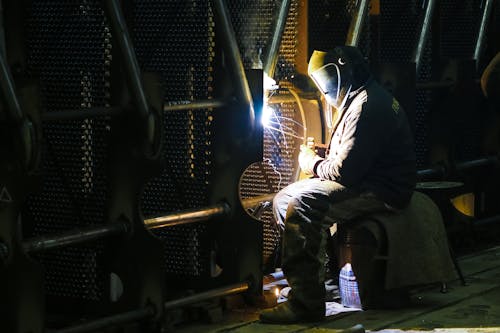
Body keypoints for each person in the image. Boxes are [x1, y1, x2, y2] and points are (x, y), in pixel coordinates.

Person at [259, 46, 416, 324]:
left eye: (325, 86)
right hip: (370, 178)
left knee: (304, 205)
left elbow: (345, 172)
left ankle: (305, 303)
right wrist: (323, 154)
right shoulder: (363, 96)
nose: (324, 93)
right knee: (284, 199)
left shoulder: (366, 106)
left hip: (381, 189)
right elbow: (354, 155)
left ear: (340, 74)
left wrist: (310, 162)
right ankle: (320, 282)